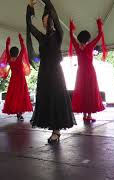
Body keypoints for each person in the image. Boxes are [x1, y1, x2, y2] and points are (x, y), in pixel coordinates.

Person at [26, 0, 76, 143]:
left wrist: (45, 2)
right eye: (43, 20)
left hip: (55, 72)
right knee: (47, 99)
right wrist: (29, 8)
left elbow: (53, 12)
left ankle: (56, 130)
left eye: (47, 19)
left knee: (56, 98)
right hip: (44, 73)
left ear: (53, 20)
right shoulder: (42, 37)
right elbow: (29, 26)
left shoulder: (58, 34)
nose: (45, 21)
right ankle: (54, 129)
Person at [69, 18, 107, 123]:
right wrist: (99, 24)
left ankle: (85, 115)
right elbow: (99, 35)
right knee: (90, 92)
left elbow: (72, 37)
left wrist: (71, 26)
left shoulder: (77, 47)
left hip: (80, 73)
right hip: (90, 72)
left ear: (80, 38)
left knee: (82, 91)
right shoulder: (90, 46)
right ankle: (88, 115)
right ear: (88, 39)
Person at [0, 33, 33, 121]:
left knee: (14, 96)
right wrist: (21, 40)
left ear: (10, 53)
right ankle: (20, 113)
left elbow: (6, 50)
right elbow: (23, 49)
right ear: (17, 53)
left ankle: (18, 112)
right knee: (21, 96)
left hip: (13, 80)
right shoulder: (19, 58)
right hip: (21, 80)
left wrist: (7, 43)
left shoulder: (9, 59)